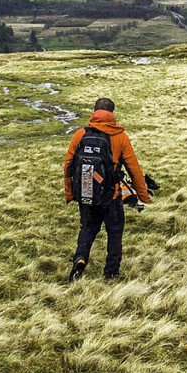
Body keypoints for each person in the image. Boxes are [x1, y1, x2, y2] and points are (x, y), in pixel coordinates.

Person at [63, 97, 151, 282]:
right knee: (115, 231)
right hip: (111, 195)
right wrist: (143, 195)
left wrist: (70, 193)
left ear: (94, 112)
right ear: (113, 114)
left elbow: (68, 166)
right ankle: (111, 272)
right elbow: (134, 169)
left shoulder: (80, 134)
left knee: (87, 227)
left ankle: (80, 259)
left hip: (86, 192)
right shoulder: (120, 137)